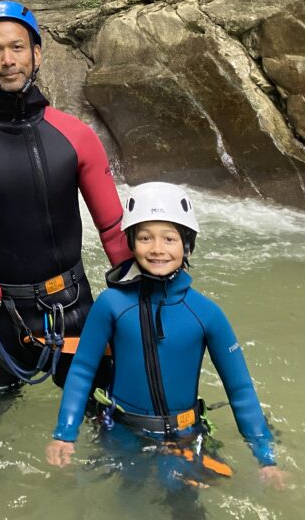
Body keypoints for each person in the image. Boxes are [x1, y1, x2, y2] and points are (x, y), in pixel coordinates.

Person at [0, 0, 131, 394]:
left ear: (37, 54)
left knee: (103, 415)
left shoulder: (76, 137)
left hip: (71, 305)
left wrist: (142, 307)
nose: (8, 60)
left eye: (17, 47)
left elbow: (113, 230)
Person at [45, 181, 286, 490]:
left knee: (184, 503)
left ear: (187, 246)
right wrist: (64, 435)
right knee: (128, 502)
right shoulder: (111, 304)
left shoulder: (206, 313)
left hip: (184, 436)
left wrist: (266, 458)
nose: (157, 249)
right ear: (131, 242)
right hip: (122, 431)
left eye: (169, 238)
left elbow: (240, 390)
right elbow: (81, 370)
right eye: (145, 237)